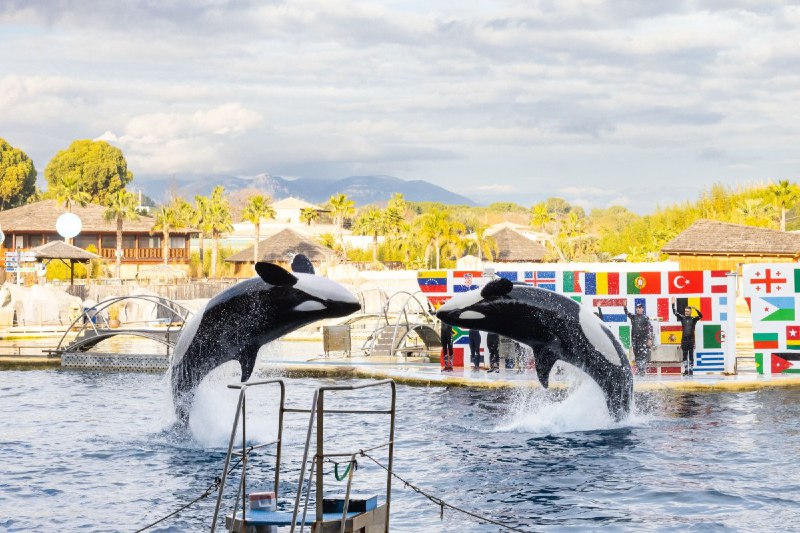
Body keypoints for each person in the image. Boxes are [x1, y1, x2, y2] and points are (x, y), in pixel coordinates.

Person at [672, 299, 702, 375]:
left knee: (691, 356)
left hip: (691, 340)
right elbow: (675, 313)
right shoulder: (682, 318)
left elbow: (701, 316)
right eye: (685, 311)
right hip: (684, 340)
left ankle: (691, 370)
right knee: (684, 356)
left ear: (690, 312)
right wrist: (672, 304)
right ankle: (686, 370)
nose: (686, 313)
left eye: (688, 311)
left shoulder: (693, 319)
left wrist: (696, 309)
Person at [625, 303, 654, 376]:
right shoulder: (633, 317)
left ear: (642, 309)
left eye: (640, 308)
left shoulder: (645, 318)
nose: (638, 309)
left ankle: (642, 370)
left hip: (643, 339)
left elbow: (650, 329)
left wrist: (650, 339)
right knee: (636, 355)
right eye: (637, 308)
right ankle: (639, 369)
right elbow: (627, 313)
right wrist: (625, 306)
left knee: (643, 354)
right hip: (635, 339)